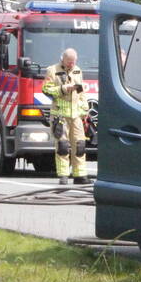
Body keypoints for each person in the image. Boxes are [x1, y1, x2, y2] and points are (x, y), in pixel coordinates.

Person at [43, 48, 92, 186]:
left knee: (80, 145)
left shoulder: (78, 70)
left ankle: (80, 175)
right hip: (60, 115)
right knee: (62, 146)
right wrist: (64, 89)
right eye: (69, 62)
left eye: (73, 62)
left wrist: (85, 109)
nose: (71, 64)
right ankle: (63, 175)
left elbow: (81, 93)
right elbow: (46, 89)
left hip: (76, 115)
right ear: (63, 59)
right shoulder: (52, 70)